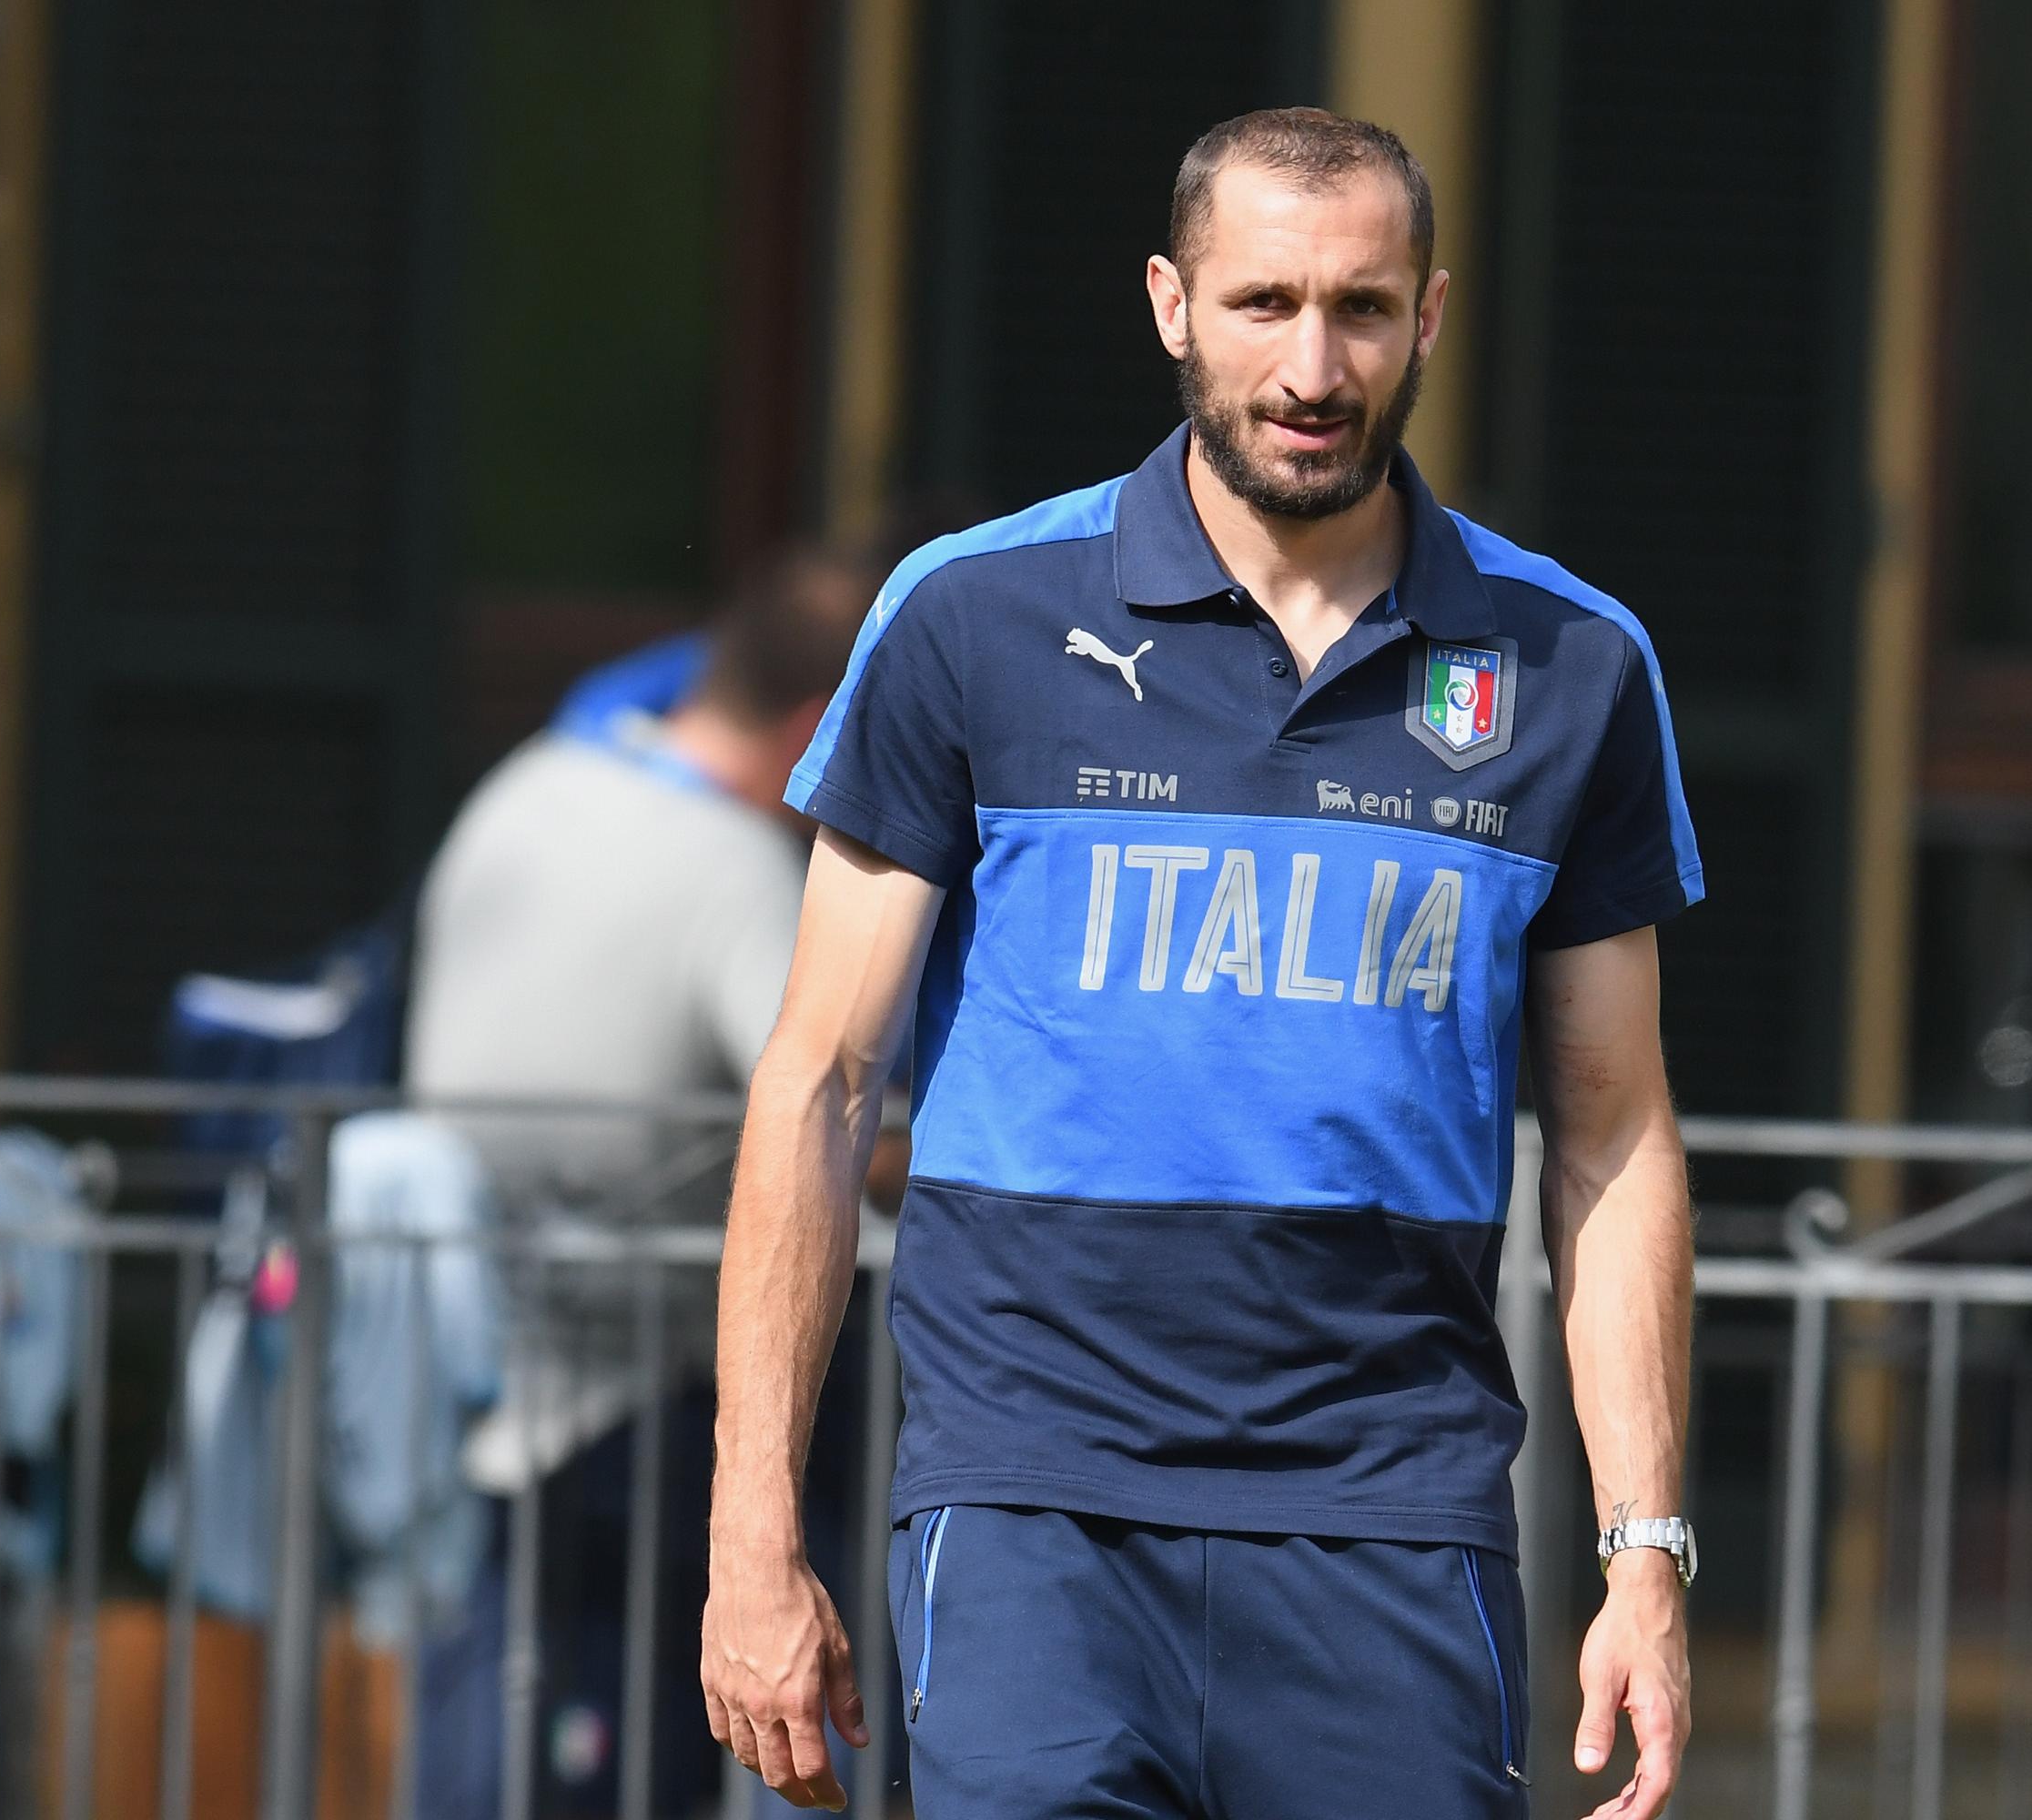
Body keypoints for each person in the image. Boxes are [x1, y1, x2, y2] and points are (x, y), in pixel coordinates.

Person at [703, 107, 1704, 1820]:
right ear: (1172, 304)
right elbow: (820, 1081)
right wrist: (752, 1534)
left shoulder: (1573, 663)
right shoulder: (969, 617)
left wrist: (1647, 1554)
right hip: (1031, 1507)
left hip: (1394, 1520)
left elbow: (1614, 1141)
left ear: (1429, 317)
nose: (1314, 368)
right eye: (1264, 304)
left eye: (1362, 309)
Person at [405, 541, 895, 1818]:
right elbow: (833, 1103)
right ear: (815, 731)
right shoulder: (734, 869)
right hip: (642, 1398)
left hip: (485, 1360)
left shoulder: (529, 783)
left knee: (496, 1726)